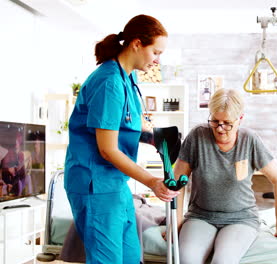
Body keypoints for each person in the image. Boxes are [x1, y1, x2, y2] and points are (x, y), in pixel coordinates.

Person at [64, 14, 179, 264]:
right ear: (137, 44)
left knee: (130, 257)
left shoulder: (129, 77)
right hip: (95, 185)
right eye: (156, 53)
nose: (158, 61)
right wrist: (152, 182)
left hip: (115, 184)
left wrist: (152, 137)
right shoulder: (109, 83)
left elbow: (123, 125)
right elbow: (107, 149)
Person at [172, 88, 277, 264]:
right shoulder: (198, 136)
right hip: (200, 216)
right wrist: (175, 223)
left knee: (223, 261)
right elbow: (178, 182)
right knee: (186, 258)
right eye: (215, 121)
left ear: (240, 119)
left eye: (227, 123)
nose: (220, 129)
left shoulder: (250, 140)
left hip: (241, 219)